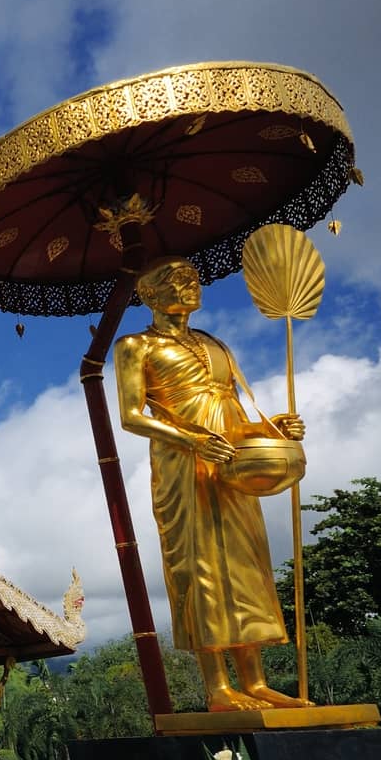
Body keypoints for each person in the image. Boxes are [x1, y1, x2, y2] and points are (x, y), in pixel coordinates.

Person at [113, 257, 311, 712]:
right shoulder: (136, 345)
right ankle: (218, 687)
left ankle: (255, 682)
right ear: (149, 292)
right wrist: (191, 440)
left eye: (193, 279)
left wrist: (273, 429)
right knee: (200, 568)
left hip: (232, 462)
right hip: (183, 465)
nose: (189, 287)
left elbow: (234, 411)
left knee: (246, 567)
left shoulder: (214, 345)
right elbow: (130, 416)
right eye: (175, 280)